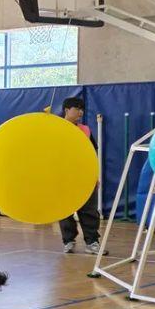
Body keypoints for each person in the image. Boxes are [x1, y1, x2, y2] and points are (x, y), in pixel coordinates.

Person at [58, 97, 104, 255]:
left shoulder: (85, 130)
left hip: (84, 177)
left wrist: (94, 175)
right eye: (77, 108)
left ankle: (92, 242)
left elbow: (93, 154)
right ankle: (68, 240)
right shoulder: (55, 128)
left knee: (89, 210)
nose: (81, 112)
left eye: (82, 109)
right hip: (63, 178)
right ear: (66, 110)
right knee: (64, 210)